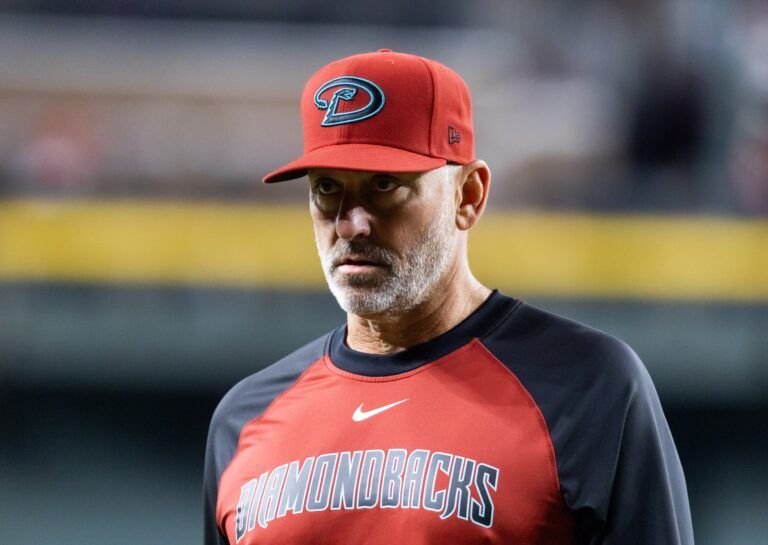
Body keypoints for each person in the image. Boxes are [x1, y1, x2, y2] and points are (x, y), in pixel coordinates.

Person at [203, 49, 693, 545]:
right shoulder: (244, 418)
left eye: (384, 186)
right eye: (327, 188)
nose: (351, 224)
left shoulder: (589, 386)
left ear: (469, 195)